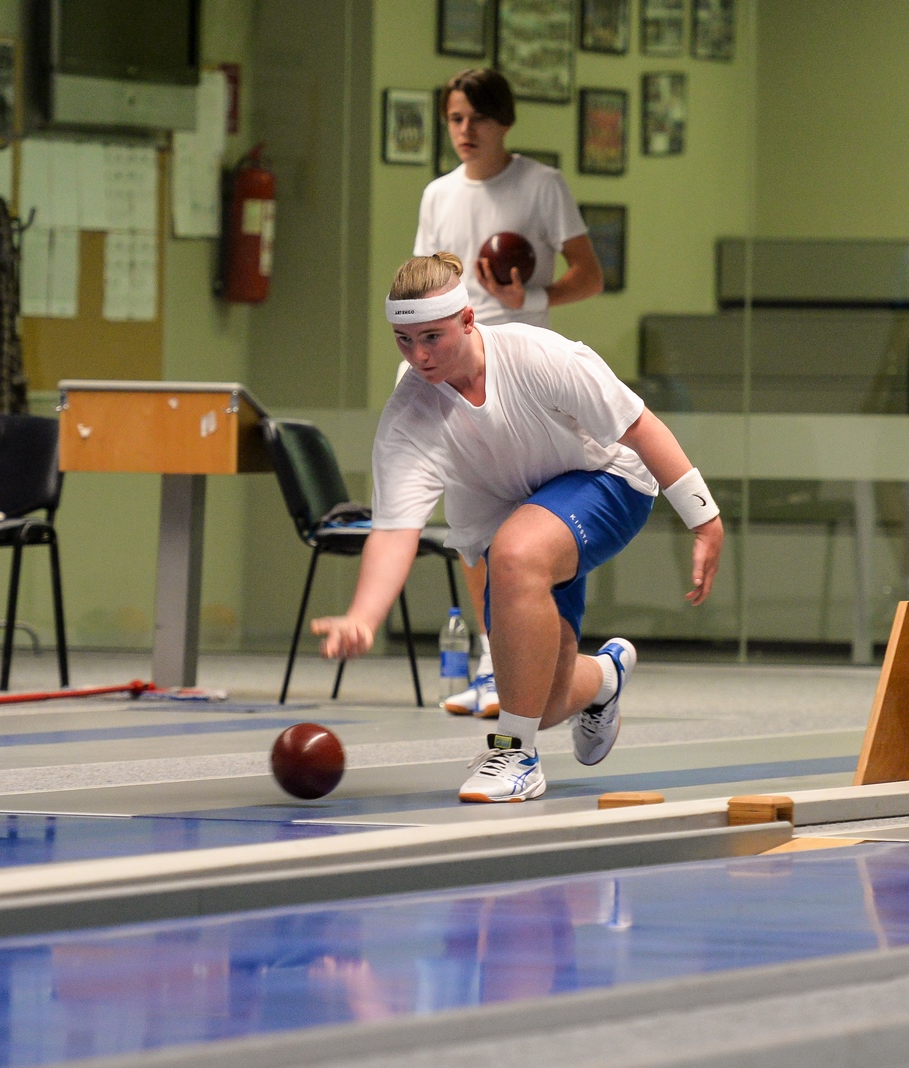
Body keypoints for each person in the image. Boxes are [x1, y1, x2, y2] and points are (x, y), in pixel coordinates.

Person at [312, 254, 723, 802]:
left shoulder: (540, 356)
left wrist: (704, 520)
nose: (420, 355)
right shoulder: (409, 415)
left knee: (514, 553)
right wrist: (363, 615)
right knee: (544, 698)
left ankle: (514, 753)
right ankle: (604, 678)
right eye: (404, 340)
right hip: (516, 519)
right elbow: (394, 531)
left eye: (432, 336)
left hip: (605, 480)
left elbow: (642, 428)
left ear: (467, 321)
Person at [413, 68, 605, 719]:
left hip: (523, 371)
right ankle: (495, 665)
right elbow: (425, 286)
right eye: (456, 119)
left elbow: (591, 274)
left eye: (478, 119)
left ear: (504, 121)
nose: (466, 131)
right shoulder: (438, 195)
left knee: (525, 523)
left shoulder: (541, 185)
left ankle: (535, 666)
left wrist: (533, 298)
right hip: (456, 379)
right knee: (471, 527)